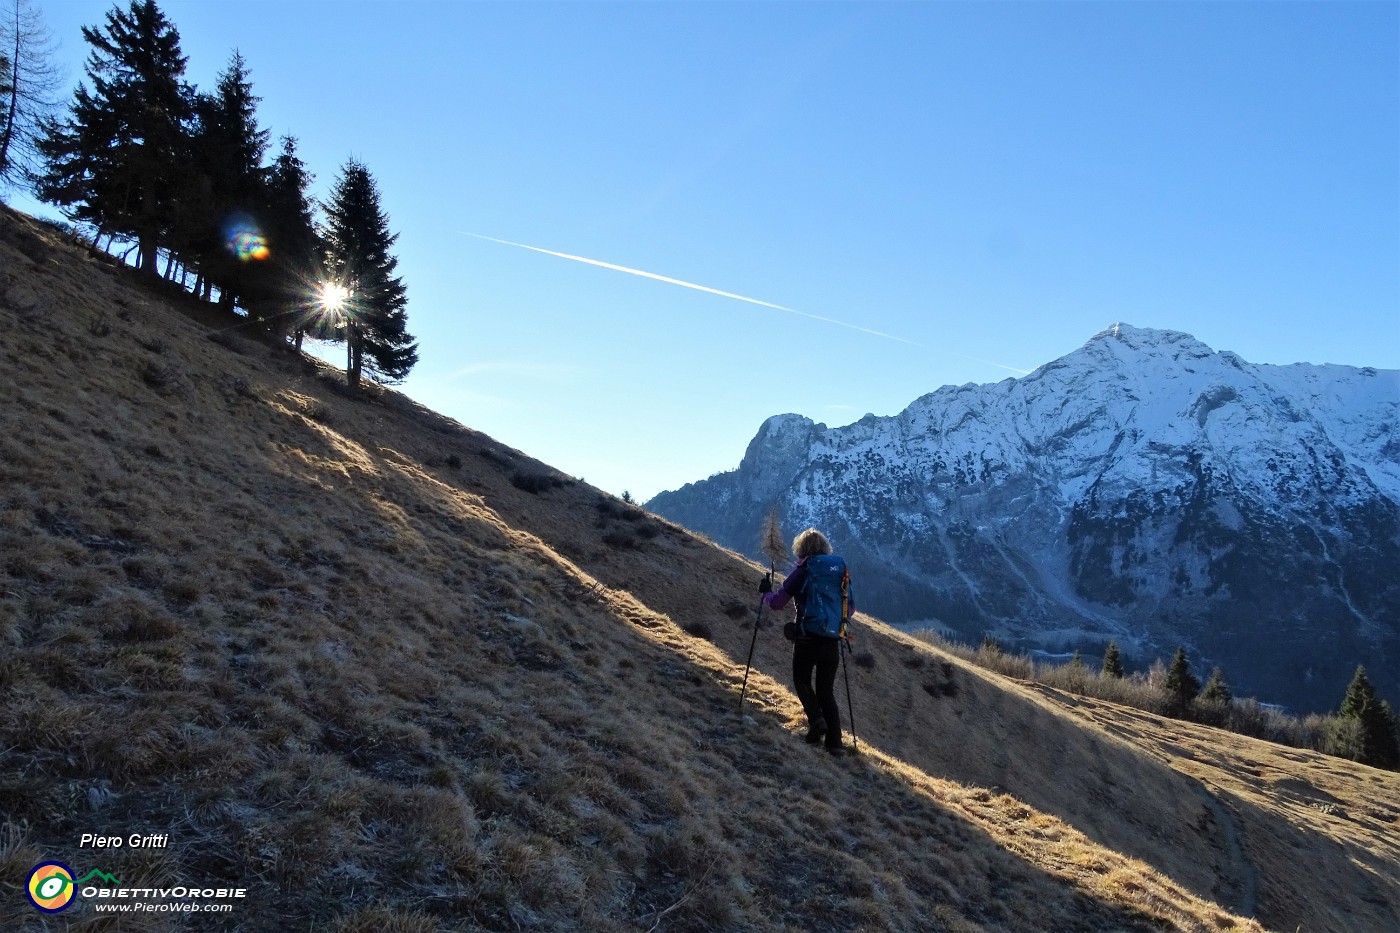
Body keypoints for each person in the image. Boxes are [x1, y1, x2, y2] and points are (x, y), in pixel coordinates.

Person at [759, 528, 854, 756]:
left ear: (801, 549)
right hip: (832, 639)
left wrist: (765, 593)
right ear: (825, 548)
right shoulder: (838, 571)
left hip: (806, 638)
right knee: (826, 690)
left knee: (801, 680)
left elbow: (777, 603)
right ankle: (835, 743)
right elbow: (850, 607)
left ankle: (816, 720)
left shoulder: (803, 571)